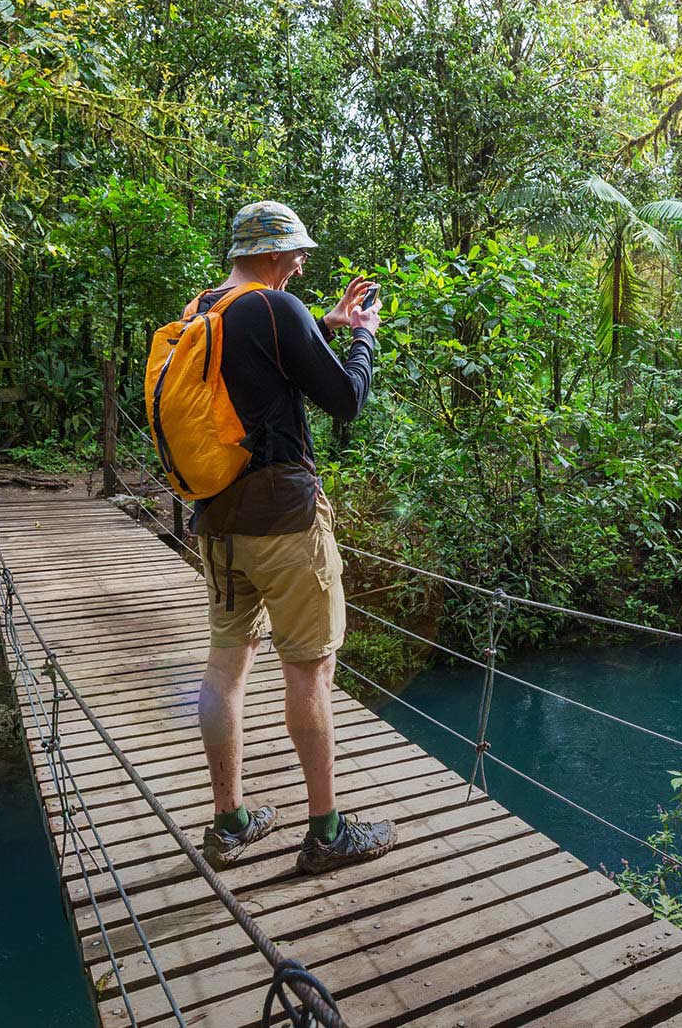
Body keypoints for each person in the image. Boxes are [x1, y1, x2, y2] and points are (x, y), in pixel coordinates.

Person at [192, 200, 394, 874]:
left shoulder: (204, 310)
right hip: (283, 521)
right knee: (310, 670)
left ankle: (229, 823)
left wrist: (322, 325)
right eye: (298, 253)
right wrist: (363, 335)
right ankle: (327, 833)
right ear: (274, 253)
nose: (303, 264)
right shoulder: (278, 308)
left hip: (217, 523)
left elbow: (256, 378)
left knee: (226, 667)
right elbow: (346, 400)